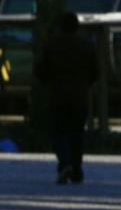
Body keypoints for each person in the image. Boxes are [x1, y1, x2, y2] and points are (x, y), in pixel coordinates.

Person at [34, 12, 99, 184]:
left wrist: (49, 82)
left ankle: (65, 163)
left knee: (57, 132)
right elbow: (95, 72)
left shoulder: (51, 44)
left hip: (58, 95)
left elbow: (40, 70)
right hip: (80, 96)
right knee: (77, 133)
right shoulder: (87, 45)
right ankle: (77, 170)